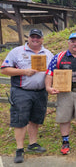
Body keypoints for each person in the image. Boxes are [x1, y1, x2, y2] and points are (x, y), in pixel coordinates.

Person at [1, 29, 53, 163]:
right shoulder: (16, 52)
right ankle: (19, 149)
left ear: (42, 39)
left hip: (40, 92)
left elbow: (53, 72)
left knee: (35, 119)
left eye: (38, 37)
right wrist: (24, 71)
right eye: (33, 37)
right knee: (20, 119)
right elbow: (5, 69)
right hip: (21, 91)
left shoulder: (48, 54)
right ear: (28, 38)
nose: (35, 39)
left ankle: (33, 144)